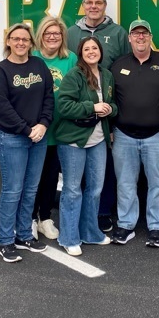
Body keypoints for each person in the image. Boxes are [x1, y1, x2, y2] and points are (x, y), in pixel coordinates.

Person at [110, 19, 159, 248]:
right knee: (126, 182)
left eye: (144, 34)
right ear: (129, 38)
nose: (140, 37)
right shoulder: (118, 65)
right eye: (136, 34)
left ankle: (156, 227)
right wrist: (111, 128)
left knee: (158, 183)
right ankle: (126, 225)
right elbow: (109, 99)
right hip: (124, 135)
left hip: (156, 136)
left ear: (150, 37)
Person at [67, 0, 130, 233]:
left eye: (99, 3)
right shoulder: (71, 33)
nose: (94, 6)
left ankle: (103, 212)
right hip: (79, 113)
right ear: (83, 5)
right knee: (78, 170)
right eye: (89, 2)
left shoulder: (117, 33)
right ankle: (80, 216)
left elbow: (126, 67)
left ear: (105, 6)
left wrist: (114, 114)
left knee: (103, 168)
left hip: (106, 112)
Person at [0, 23, 54, 263]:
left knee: (30, 189)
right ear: (8, 41)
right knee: (12, 190)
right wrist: (26, 130)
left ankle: (25, 235)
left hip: (38, 136)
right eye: (15, 39)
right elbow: (2, 107)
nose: (20, 43)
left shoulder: (39, 65)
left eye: (25, 39)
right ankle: (6, 240)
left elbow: (49, 97)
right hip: (13, 138)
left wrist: (44, 124)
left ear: (31, 43)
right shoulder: (2, 70)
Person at [53, 37, 117, 256]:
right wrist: (92, 106)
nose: (92, 52)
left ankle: (90, 233)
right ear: (81, 53)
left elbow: (112, 102)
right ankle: (68, 237)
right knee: (72, 190)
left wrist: (111, 109)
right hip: (73, 140)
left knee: (95, 188)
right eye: (87, 49)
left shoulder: (107, 75)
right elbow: (63, 105)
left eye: (95, 48)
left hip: (98, 139)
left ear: (100, 51)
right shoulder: (75, 75)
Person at [32, 16, 77, 240]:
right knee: (32, 177)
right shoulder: (32, 57)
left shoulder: (70, 59)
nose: (52, 37)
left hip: (60, 129)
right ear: (41, 35)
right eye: (48, 33)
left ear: (62, 37)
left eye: (57, 34)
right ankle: (29, 218)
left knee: (51, 177)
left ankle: (45, 218)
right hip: (36, 128)